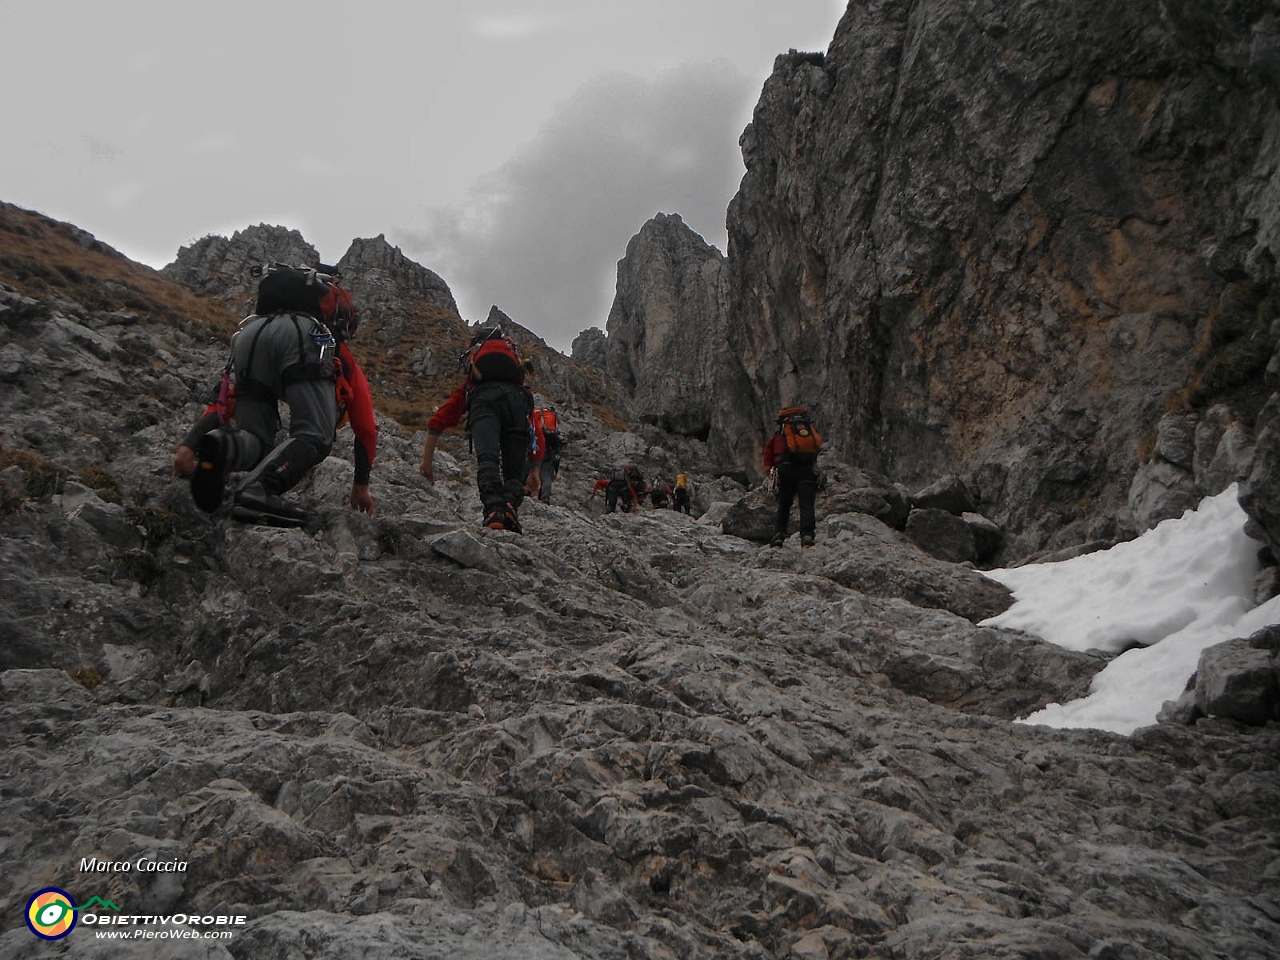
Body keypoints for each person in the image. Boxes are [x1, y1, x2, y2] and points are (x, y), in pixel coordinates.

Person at [173, 264, 376, 525]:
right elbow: (366, 429)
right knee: (315, 435)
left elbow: (229, 400)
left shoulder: (262, 324)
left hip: (248, 336)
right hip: (301, 337)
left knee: (258, 441)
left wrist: (190, 444)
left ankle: (223, 446)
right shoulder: (334, 349)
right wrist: (361, 485)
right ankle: (257, 490)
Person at [419, 327, 543, 532]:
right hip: (517, 404)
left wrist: (427, 462)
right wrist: (536, 468)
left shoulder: (472, 385)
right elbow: (535, 429)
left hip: (484, 403)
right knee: (515, 472)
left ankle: (494, 510)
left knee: (488, 459)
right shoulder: (520, 386)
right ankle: (510, 507)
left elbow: (437, 421)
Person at [762, 405, 823, 548]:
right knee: (806, 504)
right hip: (807, 470)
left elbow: (767, 455)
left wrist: (770, 473)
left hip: (785, 470)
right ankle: (807, 536)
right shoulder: (807, 432)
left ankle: (779, 535)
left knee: (784, 503)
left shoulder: (778, 437)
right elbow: (817, 447)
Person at [532, 407, 563, 503]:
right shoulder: (553, 435)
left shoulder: (536, 428)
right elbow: (558, 451)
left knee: (531, 472)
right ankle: (545, 498)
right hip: (547, 456)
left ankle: (527, 493)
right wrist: (555, 470)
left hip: (535, 453)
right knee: (546, 477)